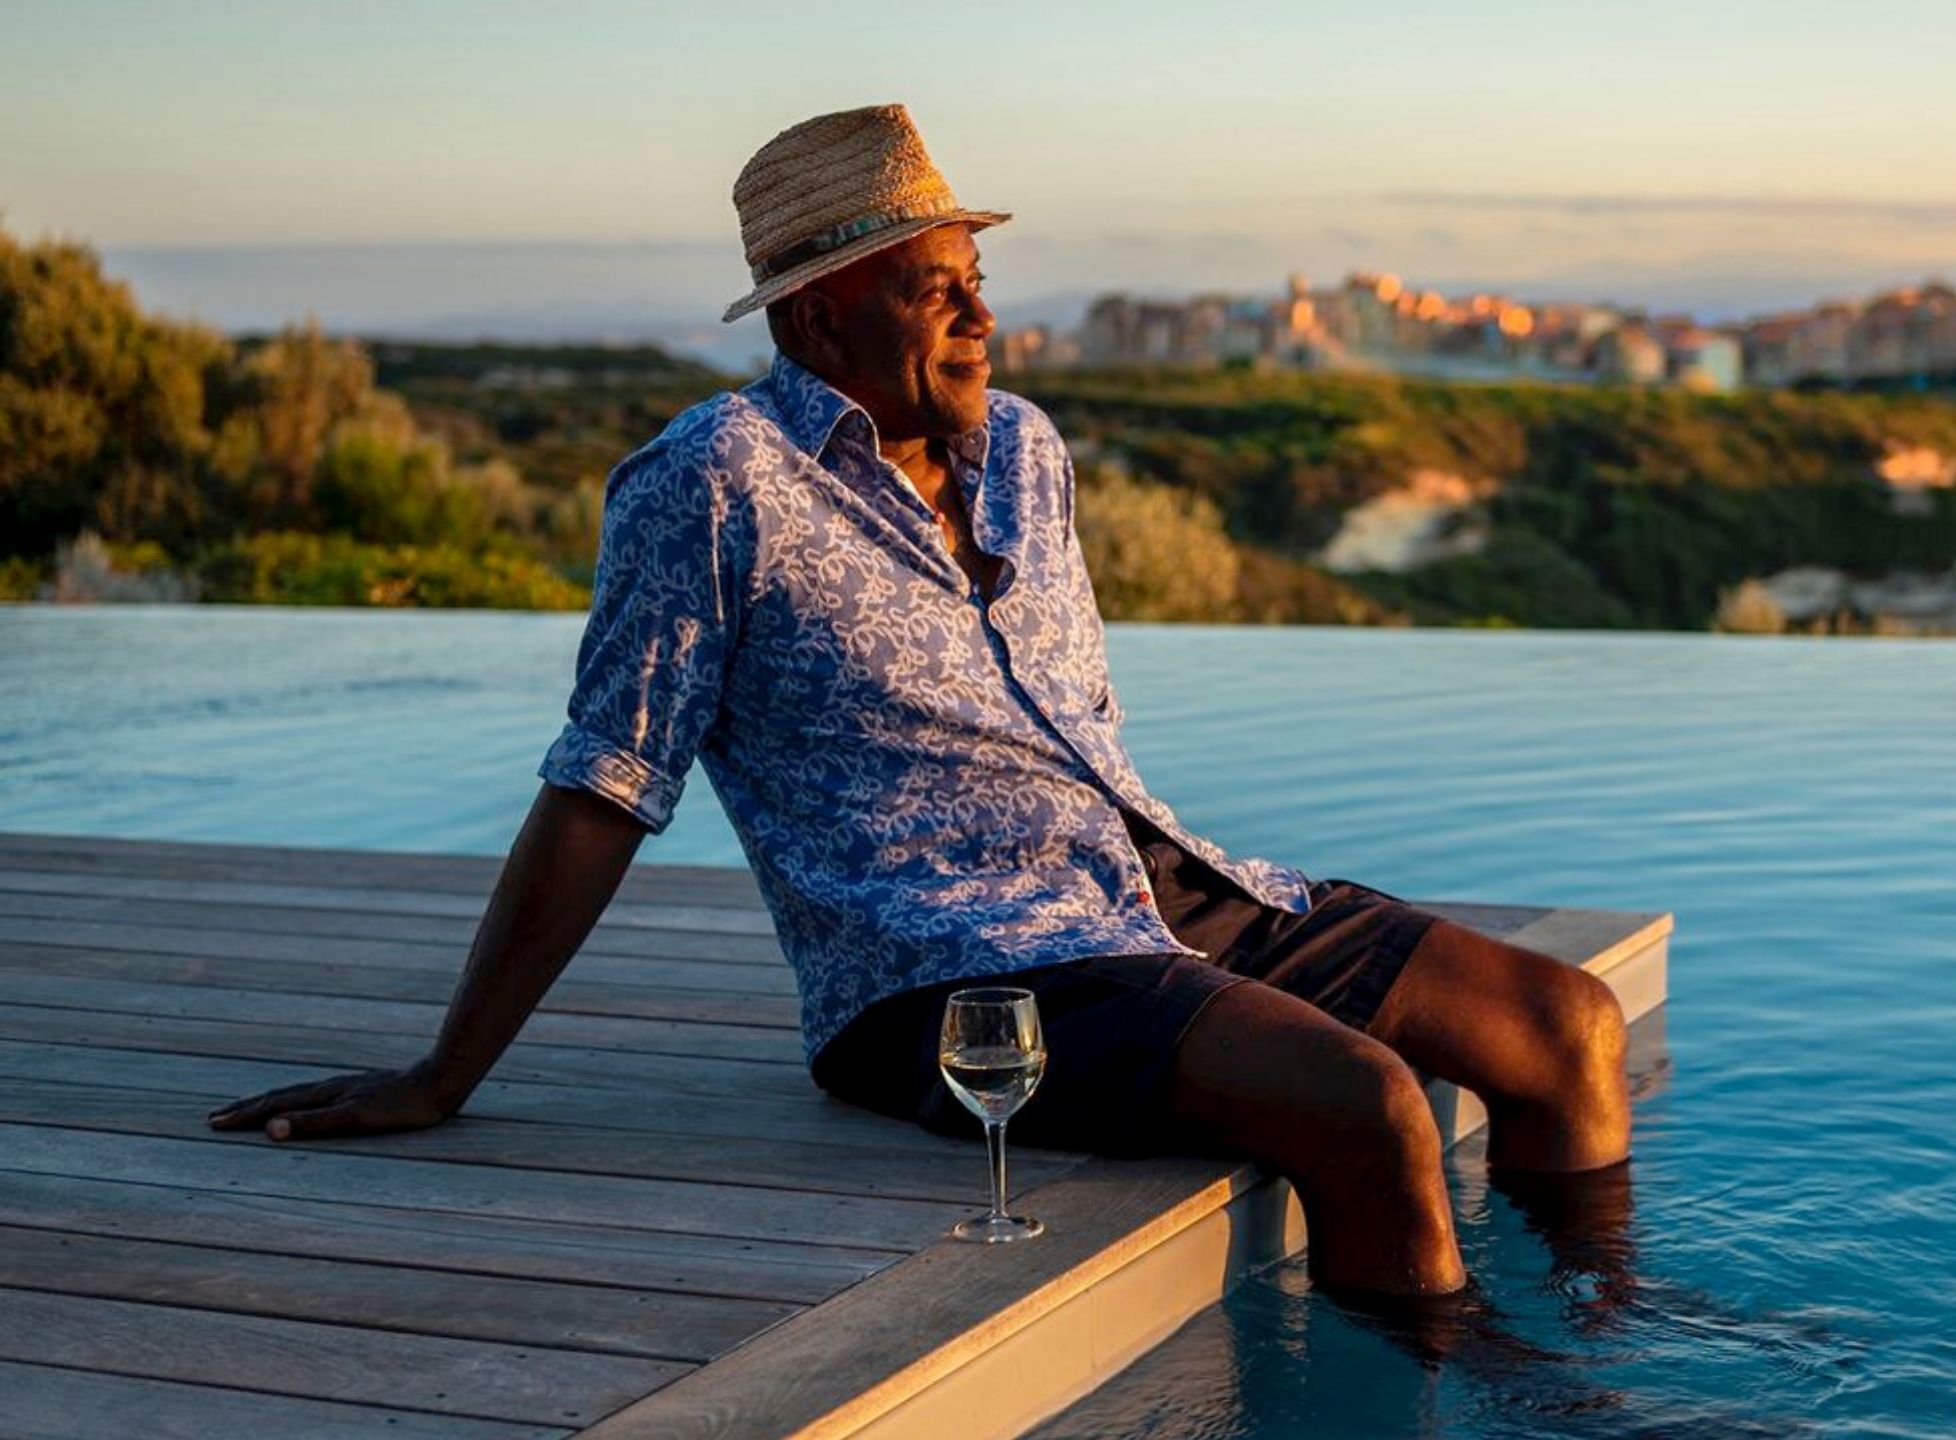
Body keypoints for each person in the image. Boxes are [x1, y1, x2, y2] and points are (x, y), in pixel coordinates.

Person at [206, 103, 1628, 1301]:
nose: (980, 315)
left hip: (1143, 891)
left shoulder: (1024, 448)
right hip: (948, 976)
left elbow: (1077, 735)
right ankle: (1468, 1395)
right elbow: (604, 784)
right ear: (819, 313)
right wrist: (445, 1071)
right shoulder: (712, 484)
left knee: (1567, 1027)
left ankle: (1600, 1354)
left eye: (977, 278)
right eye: (931, 286)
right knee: (1364, 1108)